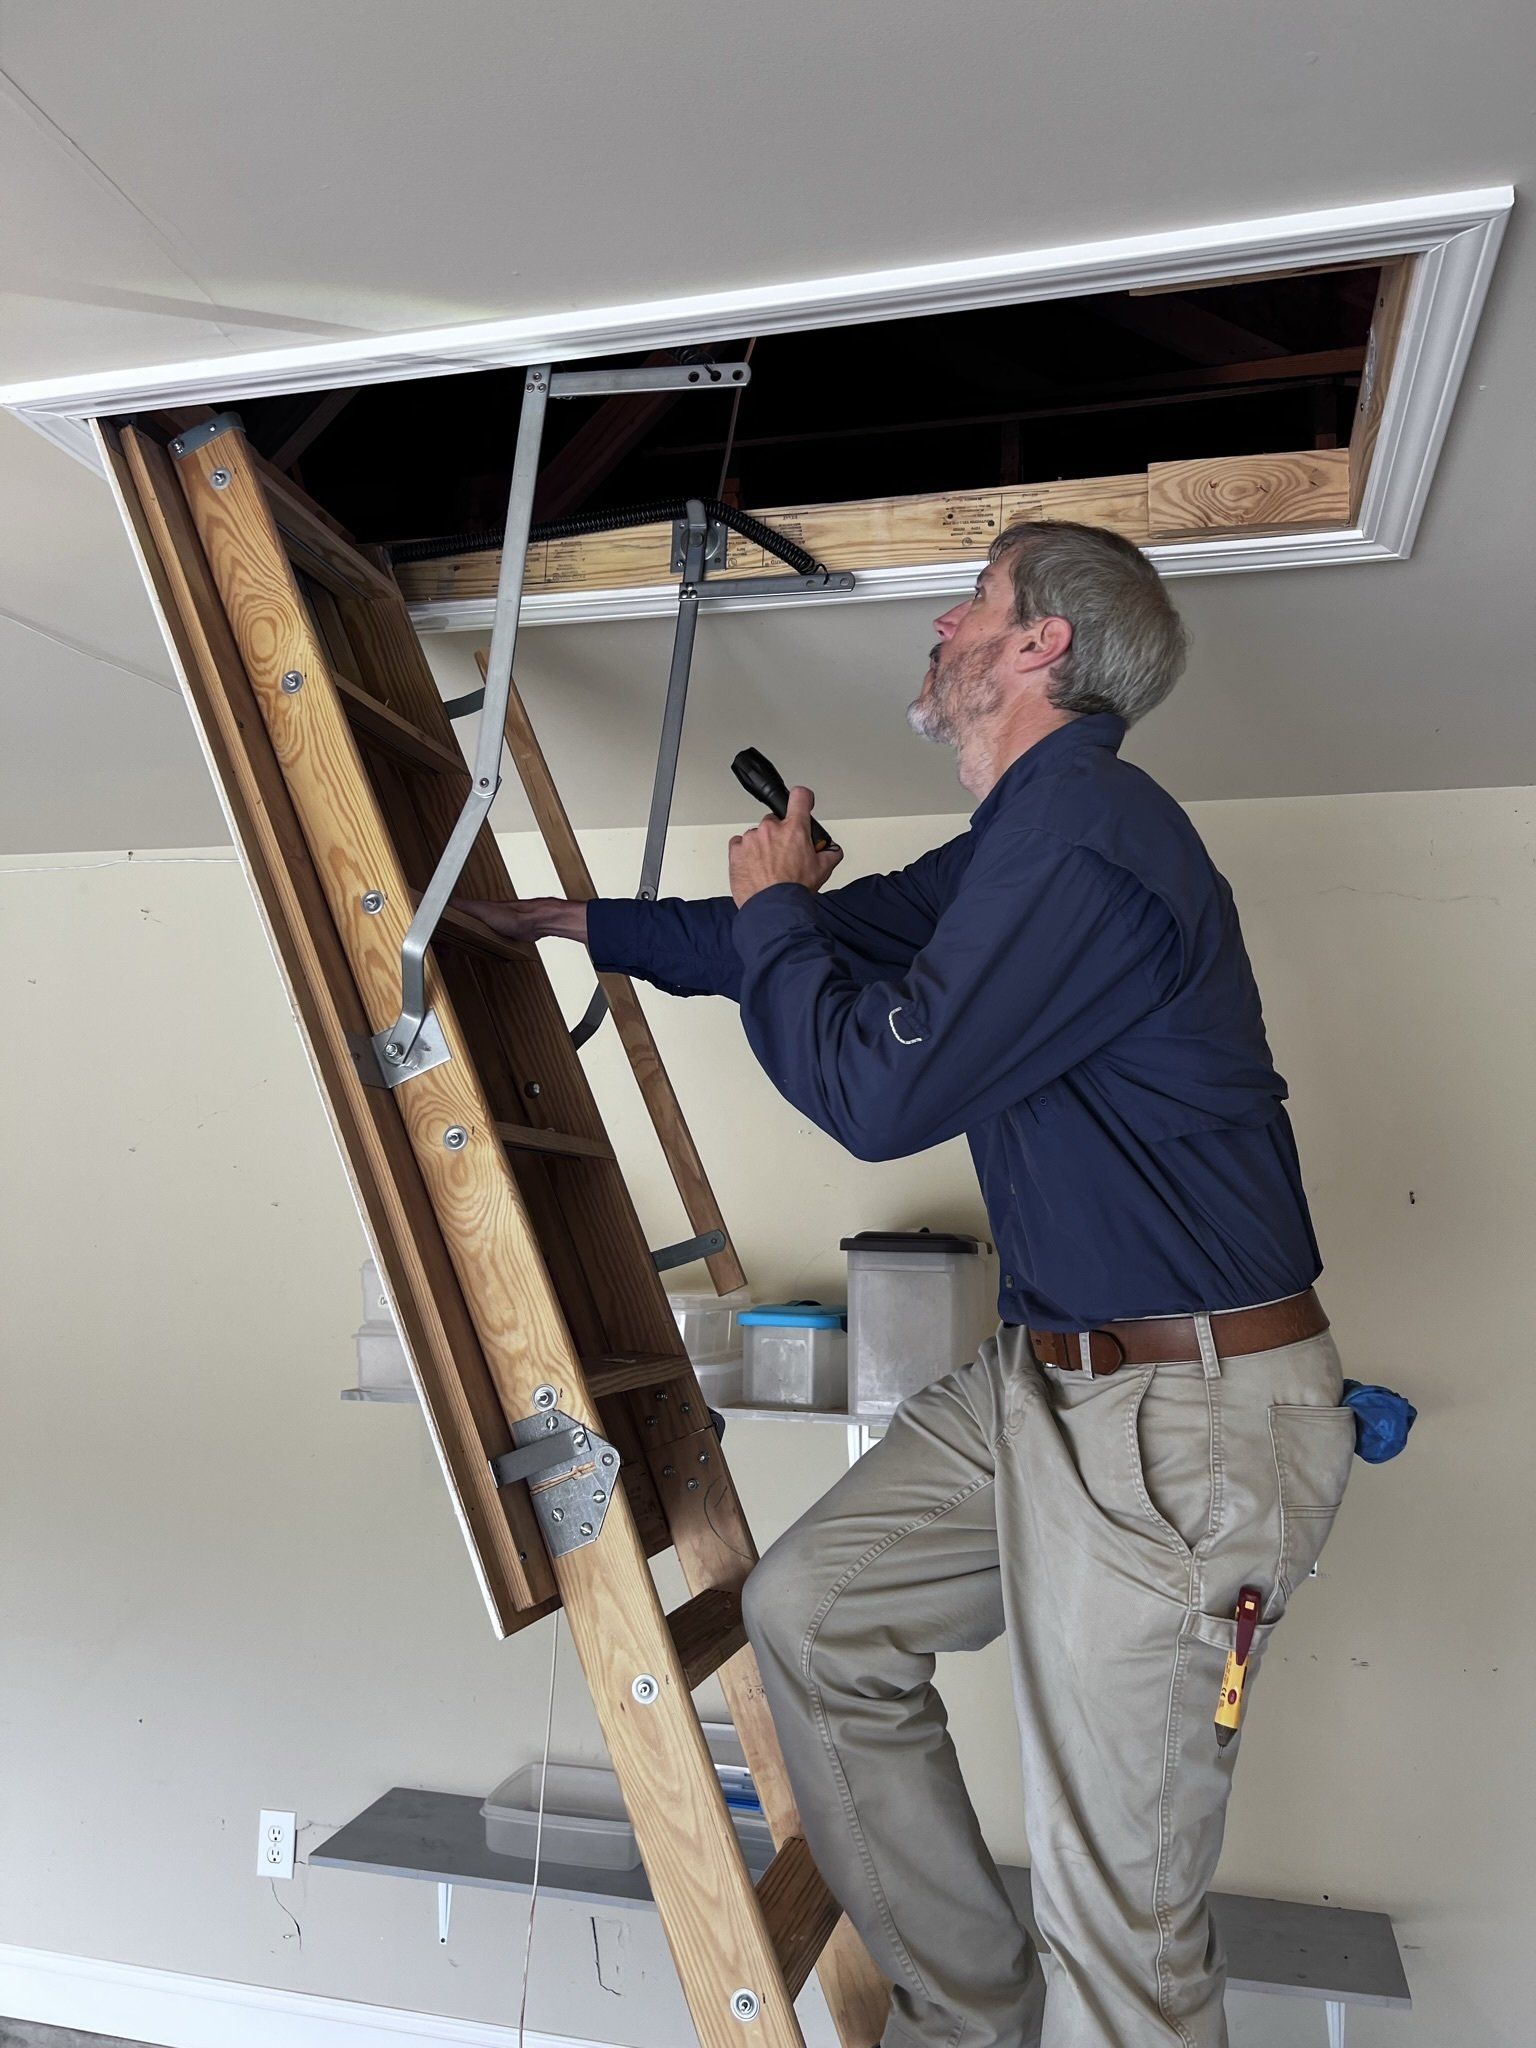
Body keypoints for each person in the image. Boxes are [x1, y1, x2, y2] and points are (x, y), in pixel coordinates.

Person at [461, 519, 1357, 2048]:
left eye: (976, 600)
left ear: (1039, 647)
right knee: (813, 1612)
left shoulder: (1088, 837)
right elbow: (836, 937)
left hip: (1187, 1417)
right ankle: (972, 2022)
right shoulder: (1025, 844)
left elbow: (879, 1095)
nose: (942, 617)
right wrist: (575, 925)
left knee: (1121, 1928)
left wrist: (767, 915)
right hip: (1054, 1384)